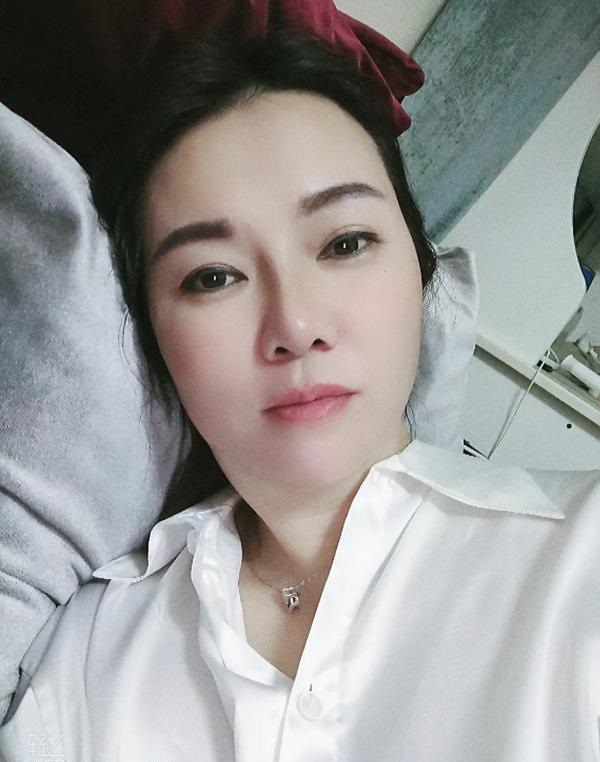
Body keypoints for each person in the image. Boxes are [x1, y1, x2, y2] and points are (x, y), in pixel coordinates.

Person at [1, 22, 600, 762]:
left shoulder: (579, 558)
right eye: (213, 276)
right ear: (149, 332)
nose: (296, 325)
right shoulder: (83, 658)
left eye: (345, 243)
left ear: (420, 272)